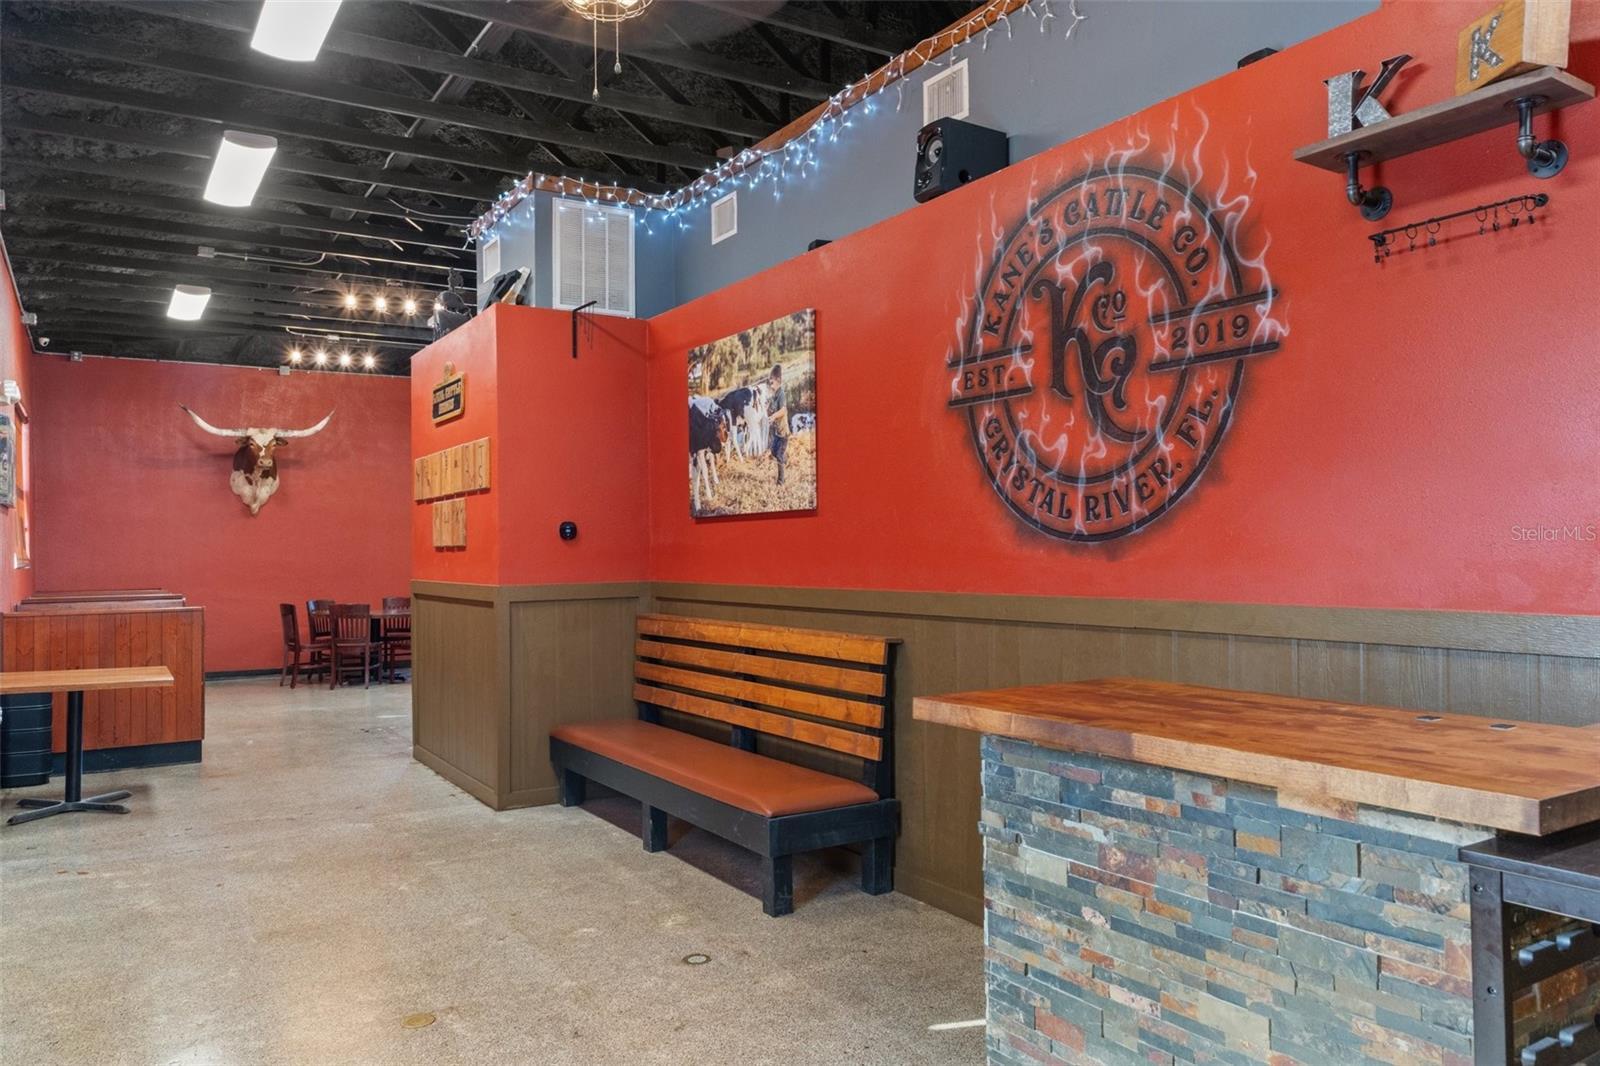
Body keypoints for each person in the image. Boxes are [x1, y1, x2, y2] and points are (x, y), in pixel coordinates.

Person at [765, 364, 790, 486]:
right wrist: (767, 409)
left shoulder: (781, 394)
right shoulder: (774, 396)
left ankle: (781, 481)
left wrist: (774, 416)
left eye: (772, 383)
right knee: (774, 451)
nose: (771, 386)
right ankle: (784, 459)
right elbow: (770, 409)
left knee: (779, 455)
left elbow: (783, 410)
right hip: (776, 432)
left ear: (778, 380)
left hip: (783, 432)